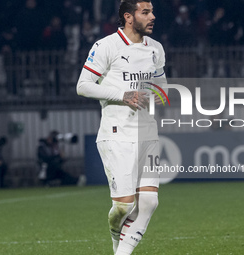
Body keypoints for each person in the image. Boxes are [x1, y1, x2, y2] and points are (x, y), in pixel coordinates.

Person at [77, 1, 167, 254]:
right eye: (146, 13)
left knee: (149, 201)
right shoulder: (106, 46)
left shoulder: (156, 49)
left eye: (152, 12)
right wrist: (123, 95)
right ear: (129, 17)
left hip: (148, 133)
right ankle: (116, 238)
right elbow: (83, 85)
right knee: (124, 207)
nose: (153, 17)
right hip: (116, 134)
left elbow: (162, 85)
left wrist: (160, 94)